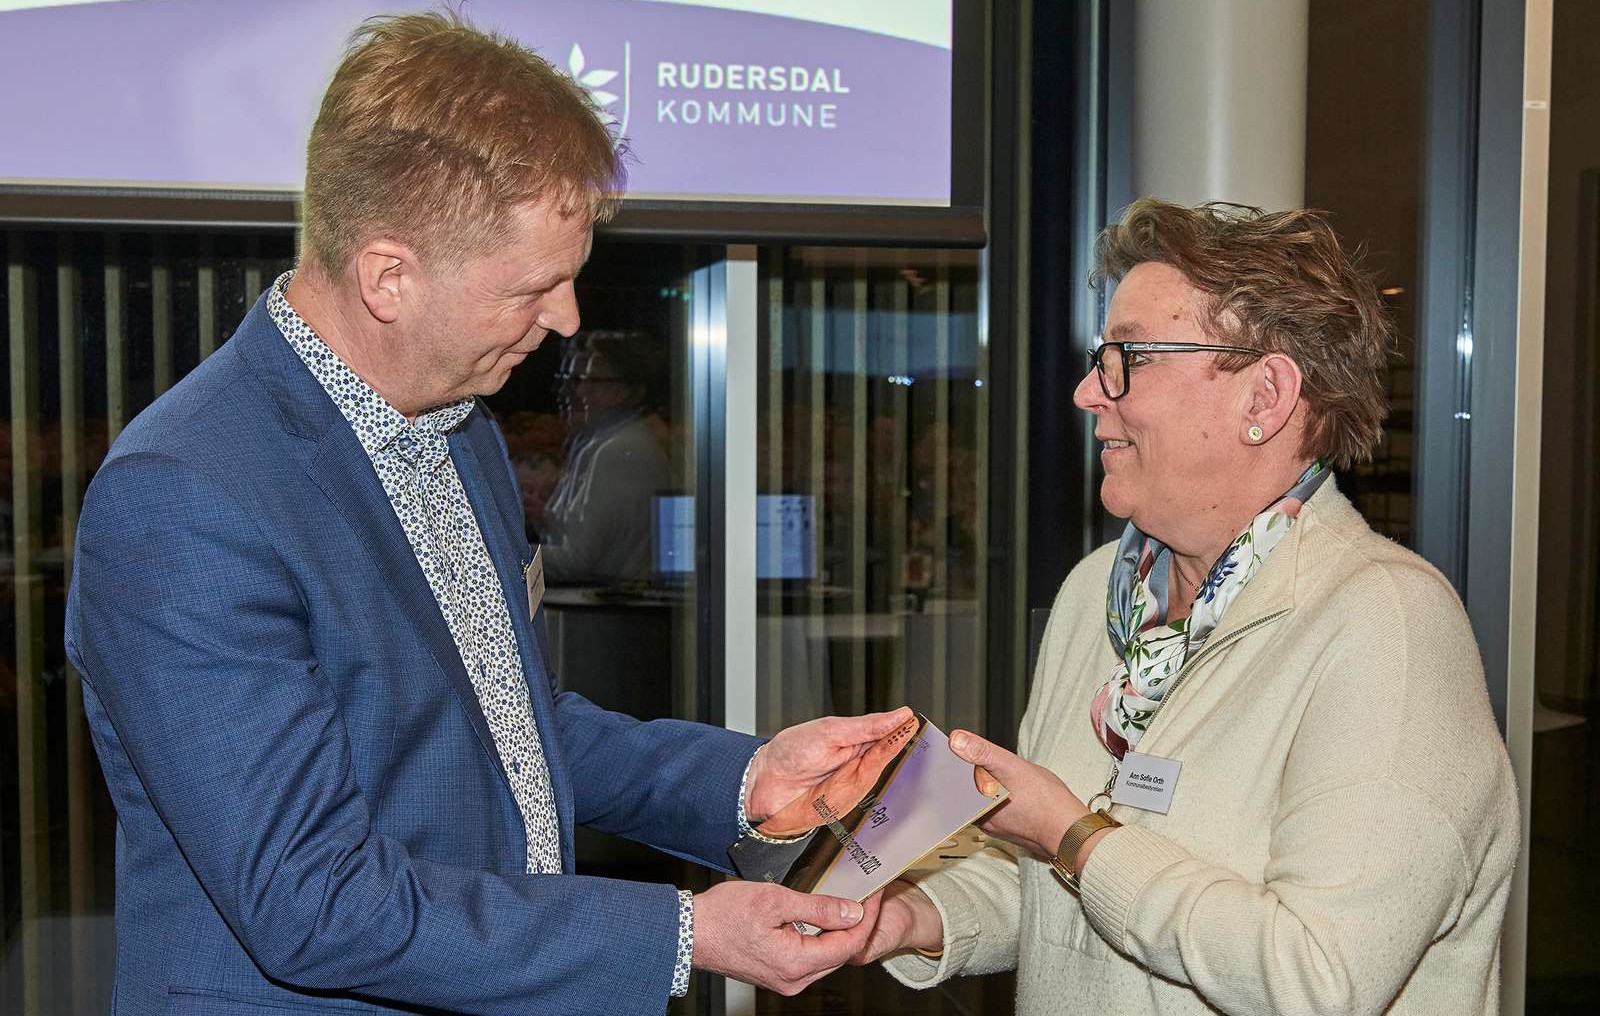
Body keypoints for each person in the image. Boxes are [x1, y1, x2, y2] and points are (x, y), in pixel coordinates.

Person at [64, 12, 898, 1014]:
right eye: (534, 287)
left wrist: (742, 782)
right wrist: (685, 935)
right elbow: (313, 899)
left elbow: (506, 725)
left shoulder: (460, 428)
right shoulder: (185, 496)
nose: (567, 319)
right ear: (388, 277)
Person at [851, 199, 1520, 1015]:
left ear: (1264, 398)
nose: (1087, 392)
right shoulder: (1098, 593)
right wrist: (905, 919)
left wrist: (1074, 836)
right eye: (1101, 357)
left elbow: (1316, 978)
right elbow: (1054, 893)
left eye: (1128, 357)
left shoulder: (1386, 624)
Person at [537, 330, 674, 583]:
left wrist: (507, 557)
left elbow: (576, 561)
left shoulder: (620, 450)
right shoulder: (607, 440)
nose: (578, 390)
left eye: (590, 380)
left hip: (607, 602)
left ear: (624, 390)